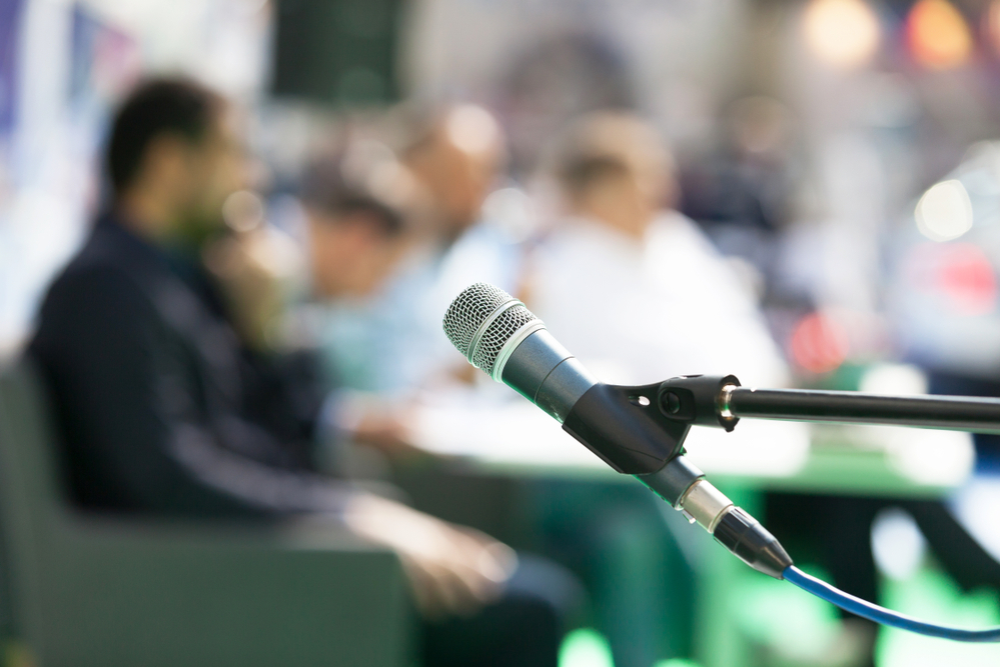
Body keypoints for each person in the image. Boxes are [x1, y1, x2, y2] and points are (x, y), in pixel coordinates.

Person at [28, 77, 569, 666]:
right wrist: (348, 517)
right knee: (535, 605)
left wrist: (273, 333)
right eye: (233, 154)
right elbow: (165, 477)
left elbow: (287, 440)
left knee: (529, 590)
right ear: (168, 161)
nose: (251, 179)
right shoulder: (106, 289)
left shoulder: (175, 281)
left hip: (257, 561)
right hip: (210, 583)